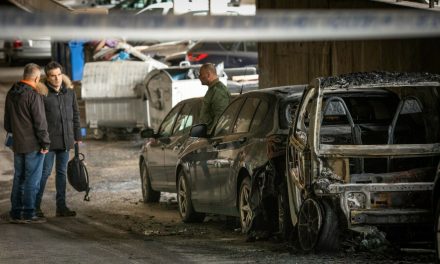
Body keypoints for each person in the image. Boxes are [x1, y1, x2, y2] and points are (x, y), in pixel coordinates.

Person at [4, 63, 50, 223]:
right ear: (37, 78)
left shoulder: (12, 93)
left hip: (17, 144)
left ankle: (16, 212)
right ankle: (29, 213)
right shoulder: (33, 95)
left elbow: (7, 124)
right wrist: (45, 143)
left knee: (19, 177)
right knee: (32, 179)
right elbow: (40, 123)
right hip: (33, 145)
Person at [35, 61, 82, 217]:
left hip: (65, 140)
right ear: (47, 78)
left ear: (62, 75)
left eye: (59, 75)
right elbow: (38, 120)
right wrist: (42, 140)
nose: (57, 79)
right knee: (45, 173)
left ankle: (61, 207)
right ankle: (35, 207)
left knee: (61, 174)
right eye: (53, 76)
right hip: (48, 143)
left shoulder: (69, 93)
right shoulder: (42, 95)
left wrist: (77, 135)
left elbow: (75, 115)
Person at [199, 63, 231, 132]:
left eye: (201, 74)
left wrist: (213, 135)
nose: (199, 77)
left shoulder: (219, 91)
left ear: (208, 74)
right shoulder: (212, 90)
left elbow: (221, 118)